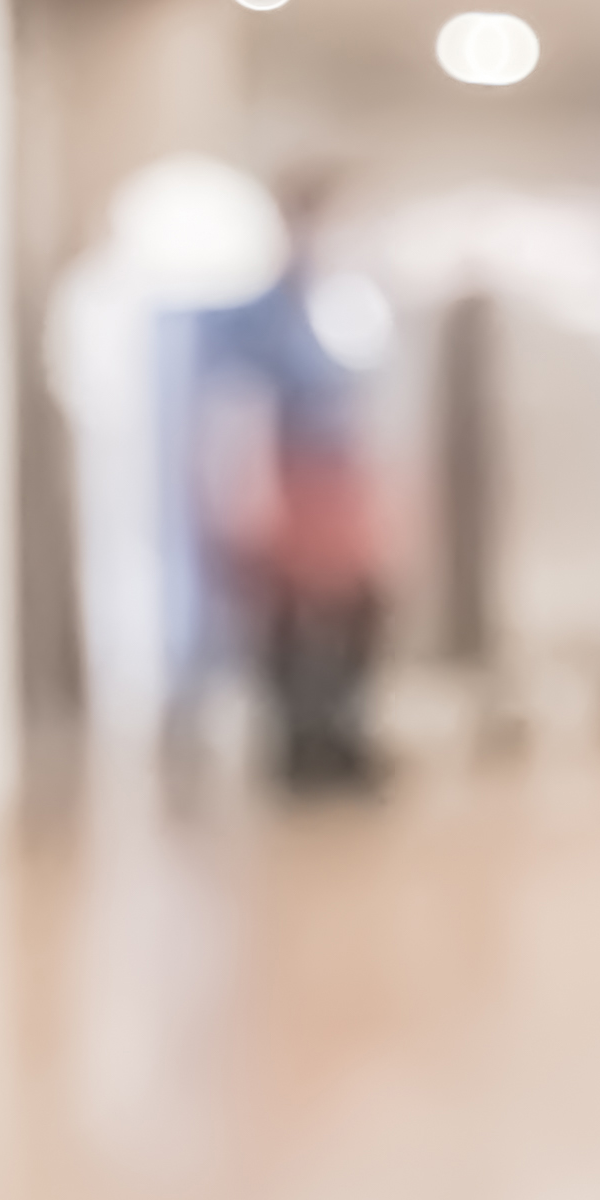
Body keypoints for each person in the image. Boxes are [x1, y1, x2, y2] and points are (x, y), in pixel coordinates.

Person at [210, 167, 392, 797]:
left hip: (339, 471)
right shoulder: (263, 312)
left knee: (358, 606)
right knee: (286, 615)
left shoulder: (346, 302)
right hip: (287, 470)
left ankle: (343, 732)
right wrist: (244, 490)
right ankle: (297, 744)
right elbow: (238, 403)